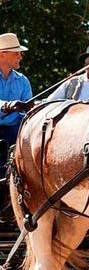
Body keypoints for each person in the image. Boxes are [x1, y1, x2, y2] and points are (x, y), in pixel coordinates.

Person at [0, 33, 33, 170]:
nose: (20, 57)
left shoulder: (23, 81)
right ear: (2, 54)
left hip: (16, 132)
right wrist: (6, 105)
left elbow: (28, 109)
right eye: (16, 53)